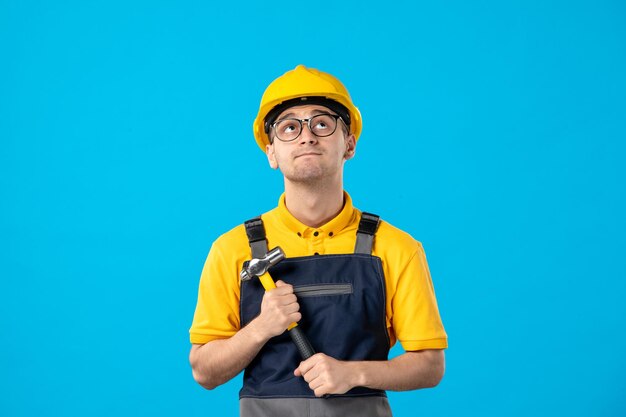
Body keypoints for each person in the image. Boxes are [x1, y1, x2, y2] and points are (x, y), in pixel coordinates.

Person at [189, 65, 448, 417]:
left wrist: (353, 373)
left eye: (322, 124)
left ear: (349, 144)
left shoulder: (395, 248)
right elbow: (204, 371)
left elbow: (431, 365)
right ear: (271, 153)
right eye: (289, 127)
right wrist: (262, 327)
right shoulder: (232, 249)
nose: (306, 137)